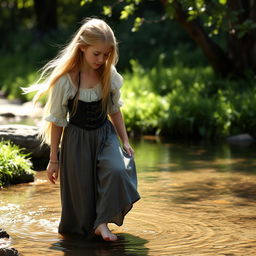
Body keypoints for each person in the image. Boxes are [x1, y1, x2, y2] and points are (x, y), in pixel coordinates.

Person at [24, 18, 140, 242]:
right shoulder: (65, 81)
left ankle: (102, 222)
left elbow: (114, 110)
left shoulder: (108, 74)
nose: (102, 59)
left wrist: (124, 141)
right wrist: (53, 158)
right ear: (82, 47)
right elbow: (57, 121)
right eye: (97, 53)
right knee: (82, 195)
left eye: (106, 54)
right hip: (76, 139)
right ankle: (85, 234)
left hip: (104, 134)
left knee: (117, 170)